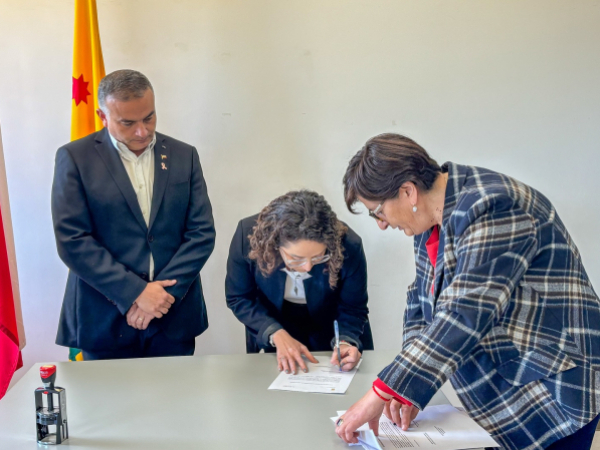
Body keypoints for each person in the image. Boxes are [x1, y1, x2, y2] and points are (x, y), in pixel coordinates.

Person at [335, 133, 600, 450]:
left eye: (377, 210)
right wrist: (405, 391)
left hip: (554, 388)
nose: (381, 223)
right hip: (506, 387)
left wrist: (381, 391)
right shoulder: (431, 219)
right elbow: (420, 304)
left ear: (407, 191)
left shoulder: (495, 205)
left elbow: (464, 313)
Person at [51, 70, 215, 360]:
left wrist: (161, 298)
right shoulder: (75, 158)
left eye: (149, 118)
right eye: (128, 123)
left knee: (177, 391)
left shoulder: (184, 155)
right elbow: (73, 240)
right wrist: (136, 292)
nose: (142, 131)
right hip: (103, 318)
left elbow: (201, 233)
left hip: (173, 318)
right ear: (103, 116)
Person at [225, 190, 374, 374]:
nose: (308, 267)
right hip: (273, 326)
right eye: (296, 259)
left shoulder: (348, 244)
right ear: (275, 245)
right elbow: (239, 297)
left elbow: (353, 308)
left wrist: (345, 341)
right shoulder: (248, 236)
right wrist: (274, 333)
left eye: (318, 257)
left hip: (331, 328)